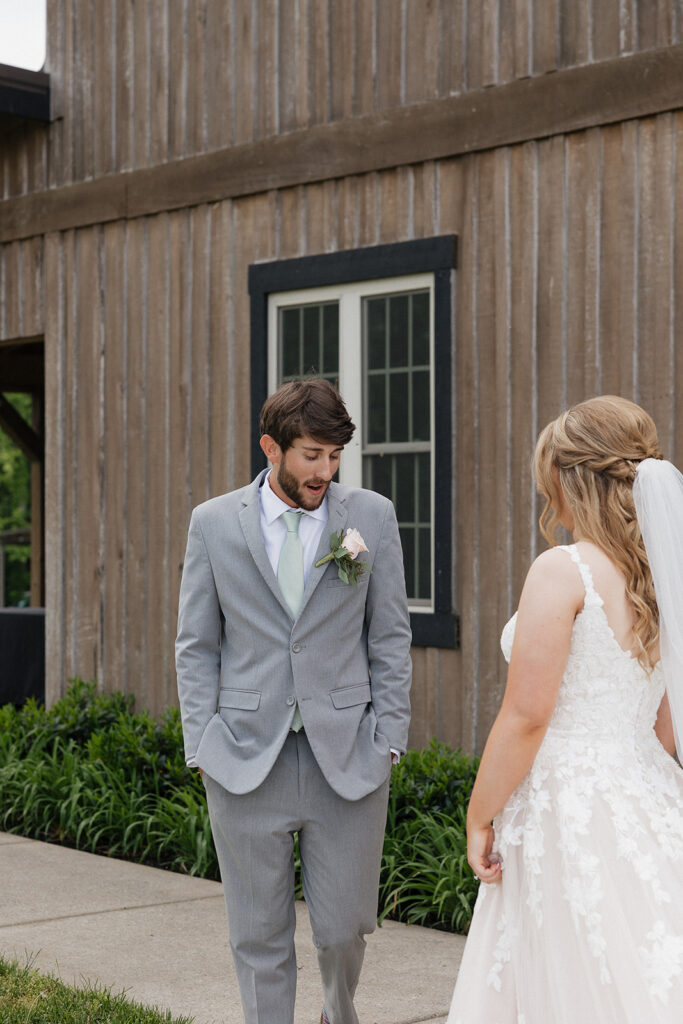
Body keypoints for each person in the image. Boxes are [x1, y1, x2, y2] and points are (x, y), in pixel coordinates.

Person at [175, 378, 412, 1024]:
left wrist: (388, 737)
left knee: (342, 929)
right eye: (311, 455)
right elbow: (196, 644)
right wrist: (202, 743)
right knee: (257, 936)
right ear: (269, 448)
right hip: (246, 759)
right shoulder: (213, 524)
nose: (324, 471)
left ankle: (338, 1015)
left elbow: (389, 635)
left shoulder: (371, 517)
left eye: (334, 457)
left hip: (348, 759)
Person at [447, 395, 683, 1023]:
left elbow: (527, 715)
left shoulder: (564, 570)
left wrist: (479, 815)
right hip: (649, 789)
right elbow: (664, 720)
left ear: (570, 478)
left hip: (568, 799)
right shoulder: (663, 574)